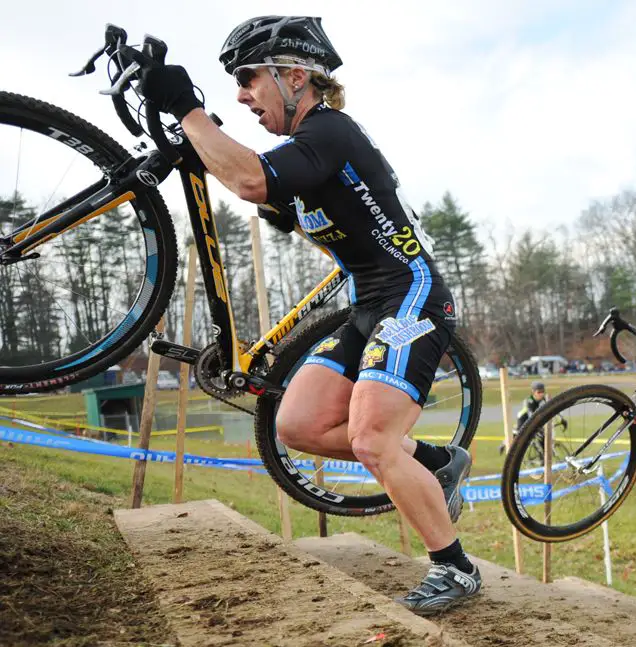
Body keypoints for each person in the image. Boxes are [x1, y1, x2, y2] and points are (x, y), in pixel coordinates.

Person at [138, 16, 481, 614]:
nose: (242, 95)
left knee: (373, 439)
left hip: (411, 294)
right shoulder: (309, 150)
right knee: (296, 426)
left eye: (248, 79)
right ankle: (435, 461)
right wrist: (198, 142)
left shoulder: (331, 132)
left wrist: (188, 110)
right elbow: (257, 181)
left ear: (295, 76)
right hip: (367, 302)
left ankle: (454, 568)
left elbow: (250, 179)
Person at [499, 381, 565, 453]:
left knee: (543, 437)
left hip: (534, 418)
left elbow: (553, 408)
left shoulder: (544, 399)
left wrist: (561, 419)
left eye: (543, 392)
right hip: (523, 418)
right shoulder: (529, 401)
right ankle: (504, 443)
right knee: (518, 434)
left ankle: (543, 456)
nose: (541, 394)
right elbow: (531, 415)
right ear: (533, 392)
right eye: (539, 392)